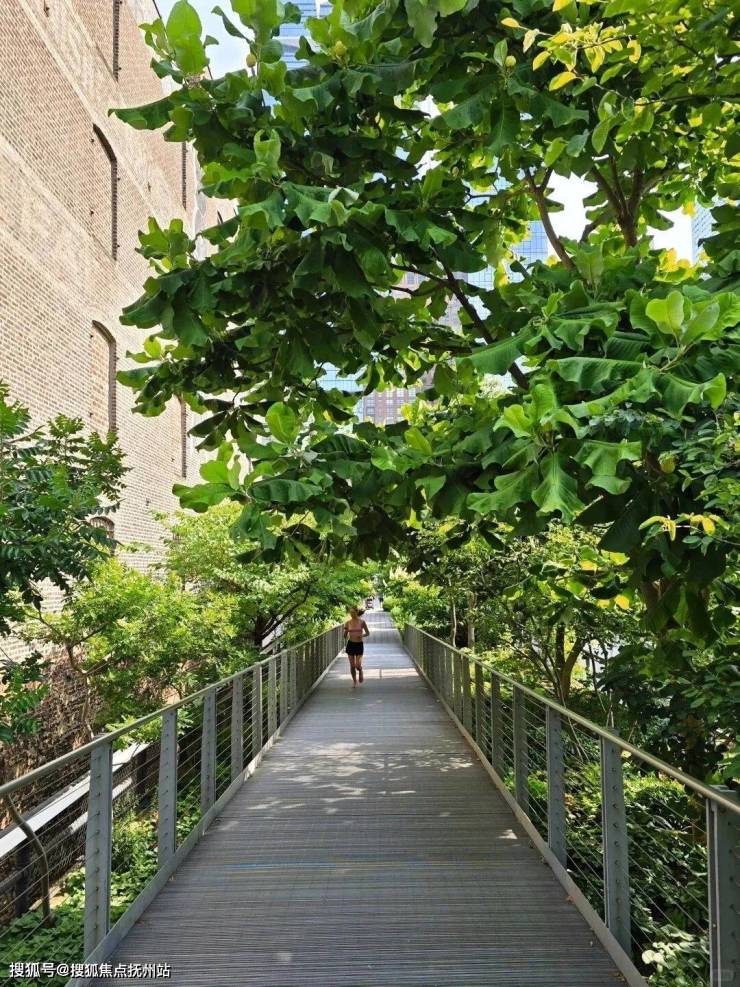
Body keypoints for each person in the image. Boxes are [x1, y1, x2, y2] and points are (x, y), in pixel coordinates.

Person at [343, 606, 370, 687]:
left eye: (353, 612)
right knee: (352, 666)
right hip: (350, 644)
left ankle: (360, 671)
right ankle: (354, 681)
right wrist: (346, 631)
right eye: (350, 613)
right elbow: (344, 636)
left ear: (357, 612)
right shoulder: (347, 623)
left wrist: (362, 635)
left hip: (359, 645)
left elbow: (368, 633)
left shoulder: (362, 622)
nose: (352, 614)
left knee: (357, 665)